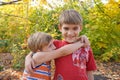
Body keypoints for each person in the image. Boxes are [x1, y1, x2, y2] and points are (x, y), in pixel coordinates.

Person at [25, 9, 97, 80]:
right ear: (60, 28)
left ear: (80, 28)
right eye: (66, 28)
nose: (70, 33)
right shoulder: (55, 45)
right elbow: (38, 48)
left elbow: (89, 72)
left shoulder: (86, 48)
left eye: (75, 28)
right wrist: (28, 57)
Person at [22, 32, 87, 80]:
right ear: (38, 50)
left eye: (52, 43)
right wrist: (81, 43)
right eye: (50, 46)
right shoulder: (38, 57)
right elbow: (62, 52)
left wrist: (78, 38)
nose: (54, 47)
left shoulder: (40, 54)